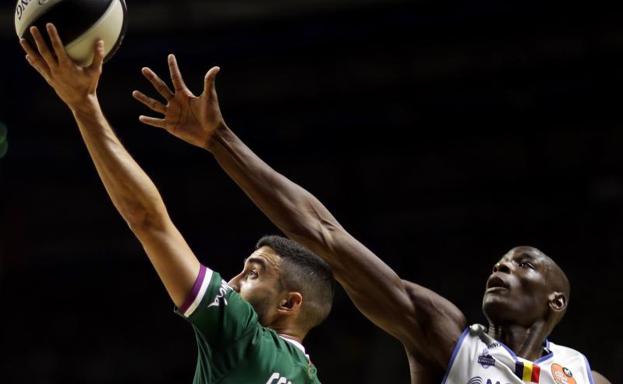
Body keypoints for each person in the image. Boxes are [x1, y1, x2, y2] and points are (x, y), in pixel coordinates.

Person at [131, 52, 612, 384]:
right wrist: (220, 141)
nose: (502, 267)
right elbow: (324, 236)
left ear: (556, 302)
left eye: (523, 263)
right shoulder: (445, 336)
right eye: (502, 261)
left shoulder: (584, 375)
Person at [19, 24, 335, 384]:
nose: (231, 283)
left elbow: (148, 219)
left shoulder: (240, 334)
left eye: (253, 273)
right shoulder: (309, 378)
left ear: (290, 305)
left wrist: (83, 104)